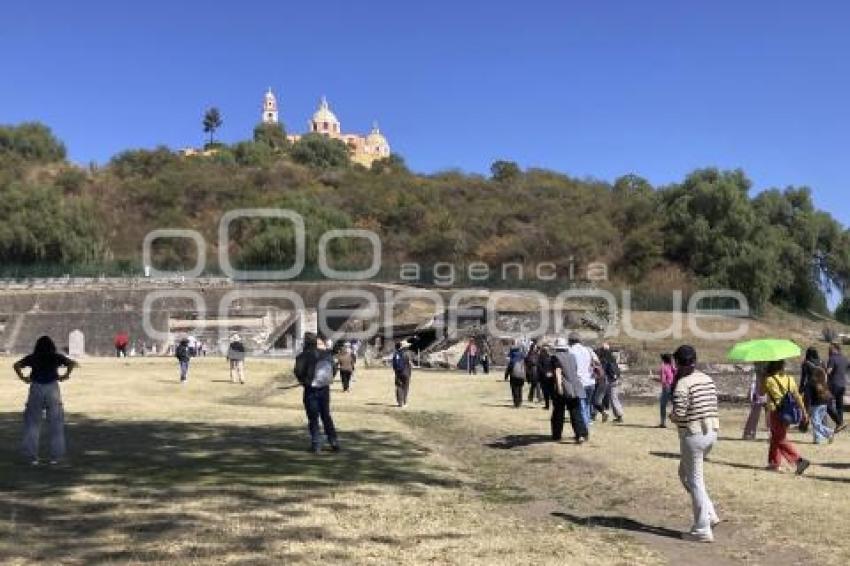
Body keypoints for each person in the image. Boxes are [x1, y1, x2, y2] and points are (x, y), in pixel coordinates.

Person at [669, 345, 720, 543]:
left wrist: (671, 417)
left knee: (695, 480)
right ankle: (710, 514)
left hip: (693, 434)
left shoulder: (683, 383)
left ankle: (702, 529)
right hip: (711, 432)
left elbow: (680, 413)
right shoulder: (707, 378)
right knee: (685, 474)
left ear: (678, 363)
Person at [14, 336, 78, 466]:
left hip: (36, 386)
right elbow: (72, 363)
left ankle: (31, 457)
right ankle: (56, 457)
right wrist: (65, 376)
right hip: (52, 387)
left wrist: (23, 378)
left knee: (32, 423)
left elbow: (16, 365)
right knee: (56, 423)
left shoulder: (33, 357)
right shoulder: (55, 357)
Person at [294, 333, 339, 454]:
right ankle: (334, 442)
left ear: (305, 342)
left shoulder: (303, 356)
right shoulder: (326, 354)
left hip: (311, 389)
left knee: (313, 418)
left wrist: (304, 381)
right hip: (324, 388)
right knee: (326, 416)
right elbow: (334, 369)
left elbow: (298, 372)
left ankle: (316, 445)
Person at [763, 360, 810, 475]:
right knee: (776, 436)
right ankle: (774, 463)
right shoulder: (790, 379)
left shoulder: (769, 380)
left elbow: (760, 393)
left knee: (780, 439)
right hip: (788, 413)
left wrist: (762, 375)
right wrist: (804, 412)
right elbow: (797, 397)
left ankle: (799, 460)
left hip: (776, 412)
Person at [551, 337, 589, 444]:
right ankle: (581, 434)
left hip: (564, 388)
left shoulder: (555, 357)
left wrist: (559, 388)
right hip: (576, 387)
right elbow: (574, 371)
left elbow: (558, 372)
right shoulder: (572, 357)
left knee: (558, 413)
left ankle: (557, 435)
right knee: (576, 412)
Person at [568, 332, 597, 426]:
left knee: (581, 406)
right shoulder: (588, 349)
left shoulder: (570, 351)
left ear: (570, 341)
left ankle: (585, 428)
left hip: (580, 382)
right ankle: (588, 421)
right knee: (587, 404)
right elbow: (596, 362)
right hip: (591, 380)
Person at [742, 363, 768, 440]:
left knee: (768, 411)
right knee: (756, 410)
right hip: (760, 387)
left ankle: (749, 433)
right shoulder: (760, 363)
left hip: (765, 386)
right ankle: (749, 433)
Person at [599, 343, 624, 423]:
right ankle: (618, 415)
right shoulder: (612, 357)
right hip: (615, 380)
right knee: (613, 398)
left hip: (611, 381)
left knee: (613, 398)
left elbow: (604, 370)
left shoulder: (605, 358)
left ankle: (619, 415)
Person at [809, 366, 835, 444]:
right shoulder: (824, 382)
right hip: (824, 404)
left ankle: (829, 432)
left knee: (815, 422)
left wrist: (806, 407)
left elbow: (808, 396)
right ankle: (817, 439)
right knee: (818, 422)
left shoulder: (812, 382)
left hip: (816, 405)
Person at [826, 343, 847, 433]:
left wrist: (823, 367)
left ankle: (839, 422)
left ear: (835, 349)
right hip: (842, 385)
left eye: (830, 349)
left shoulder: (832, 358)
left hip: (833, 385)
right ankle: (840, 424)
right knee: (839, 405)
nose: (828, 351)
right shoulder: (845, 359)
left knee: (827, 404)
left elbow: (828, 371)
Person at [799, 347, 822, 411]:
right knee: (820, 406)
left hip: (810, 386)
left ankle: (807, 419)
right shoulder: (821, 362)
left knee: (807, 407)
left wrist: (800, 390)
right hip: (821, 386)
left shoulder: (806, 363)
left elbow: (803, 378)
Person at [392, 341, 413, 408]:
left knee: (399, 387)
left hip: (398, 373)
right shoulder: (407, 354)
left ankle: (400, 403)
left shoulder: (396, 354)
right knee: (405, 387)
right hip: (406, 372)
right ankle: (405, 402)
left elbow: (394, 365)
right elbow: (410, 364)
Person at [659, 353, 676, 428]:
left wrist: (654, 378)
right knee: (675, 404)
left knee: (663, 405)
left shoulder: (663, 367)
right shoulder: (672, 367)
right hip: (674, 387)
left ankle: (663, 422)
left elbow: (663, 380)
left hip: (666, 387)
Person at [539, 344, 554, 410]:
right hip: (547, 377)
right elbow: (540, 367)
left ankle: (548, 405)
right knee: (548, 392)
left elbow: (540, 368)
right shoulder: (544, 358)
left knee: (548, 392)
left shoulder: (551, 358)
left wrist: (548, 373)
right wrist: (548, 373)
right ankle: (548, 405)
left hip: (547, 377)